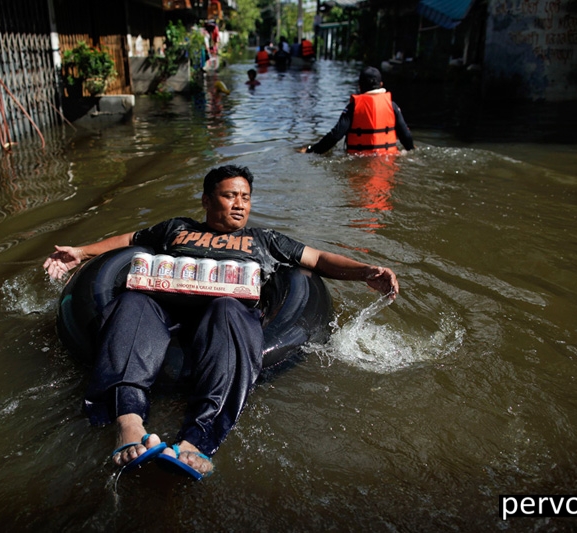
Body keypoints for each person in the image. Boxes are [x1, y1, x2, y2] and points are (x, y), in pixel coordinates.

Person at [43, 165, 399, 480]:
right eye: (230, 196)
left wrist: (365, 271)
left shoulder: (264, 240)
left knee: (228, 309)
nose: (240, 204)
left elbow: (317, 258)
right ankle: (128, 422)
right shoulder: (176, 229)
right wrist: (81, 252)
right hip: (164, 309)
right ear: (206, 200)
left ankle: (196, 440)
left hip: (224, 315)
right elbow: (130, 240)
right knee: (132, 301)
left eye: (245, 197)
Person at [300, 66, 414, 155]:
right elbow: (406, 136)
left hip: (359, 159)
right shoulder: (392, 106)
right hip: (387, 160)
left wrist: (311, 150)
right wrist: (411, 149)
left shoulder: (353, 108)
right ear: (381, 84)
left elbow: (335, 136)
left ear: (359, 86)